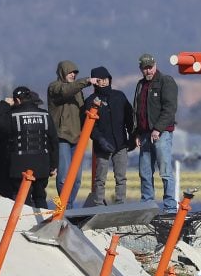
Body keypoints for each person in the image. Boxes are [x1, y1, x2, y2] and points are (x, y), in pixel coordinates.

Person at [0, 86, 58, 209]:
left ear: (18, 100)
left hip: (19, 166)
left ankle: (25, 224)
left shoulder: (13, 116)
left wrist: (3, 104)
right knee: (40, 196)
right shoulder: (45, 115)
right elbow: (53, 141)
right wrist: (53, 165)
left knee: (22, 197)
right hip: (42, 165)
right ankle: (44, 224)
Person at [132, 53, 178, 212]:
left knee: (165, 171)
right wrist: (136, 132)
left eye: (150, 67)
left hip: (162, 134)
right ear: (140, 69)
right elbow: (138, 111)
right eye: (145, 68)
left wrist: (158, 129)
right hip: (144, 135)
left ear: (155, 65)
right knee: (144, 172)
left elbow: (170, 109)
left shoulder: (166, 81)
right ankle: (147, 206)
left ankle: (170, 207)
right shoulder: (140, 85)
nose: (148, 71)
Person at [84, 66, 134, 206]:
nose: (104, 82)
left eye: (106, 79)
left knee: (121, 178)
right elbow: (89, 127)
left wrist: (132, 136)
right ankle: (98, 204)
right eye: (100, 80)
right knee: (100, 179)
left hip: (121, 144)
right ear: (95, 82)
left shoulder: (120, 96)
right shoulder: (90, 101)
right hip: (102, 146)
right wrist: (100, 140)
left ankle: (120, 204)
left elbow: (129, 118)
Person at [47, 60, 92, 208]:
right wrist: (86, 81)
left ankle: (70, 205)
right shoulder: (54, 87)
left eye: (75, 72)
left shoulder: (78, 91)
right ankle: (64, 206)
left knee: (77, 178)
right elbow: (65, 90)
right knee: (63, 177)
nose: (73, 74)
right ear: (62, 72)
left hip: (78, 138)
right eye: (70, 72)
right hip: (61, 137)